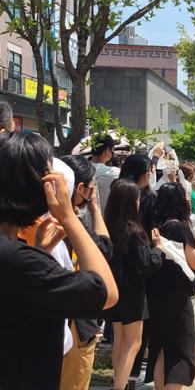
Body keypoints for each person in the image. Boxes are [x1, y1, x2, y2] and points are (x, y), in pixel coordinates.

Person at [0, 132, 118, 390]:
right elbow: (107, 291)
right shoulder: (20, 262)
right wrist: (68, 217)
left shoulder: (20, 256)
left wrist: (39, 250)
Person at [59, 155, 114, 390]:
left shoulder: (36, 219)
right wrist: (94, 207)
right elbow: (105, 249)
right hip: (75, 325)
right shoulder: (72, 223)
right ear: (79, 188)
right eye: (90, 189)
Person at [104, 179, 164, 390]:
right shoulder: (135, 232)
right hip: (133, 292)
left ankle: (117, 383)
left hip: (114, 289)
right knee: (134, 343)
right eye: (137, 199)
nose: (140, 203)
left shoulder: (108, 227)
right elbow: (147, 264)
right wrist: (157, 248)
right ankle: (119, 387)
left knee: (119, 342)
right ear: (131, 203)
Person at [146, 183, 195, 389]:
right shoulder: (180, 228)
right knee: (181, 353)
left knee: (161, 350)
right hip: (177, 298)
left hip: (155, 295)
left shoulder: (155, 227)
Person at [90, 134, 120, 213]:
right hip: (106, 220)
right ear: (107, 151)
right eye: (112, 151)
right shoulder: (115, 173)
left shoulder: (80, 168)